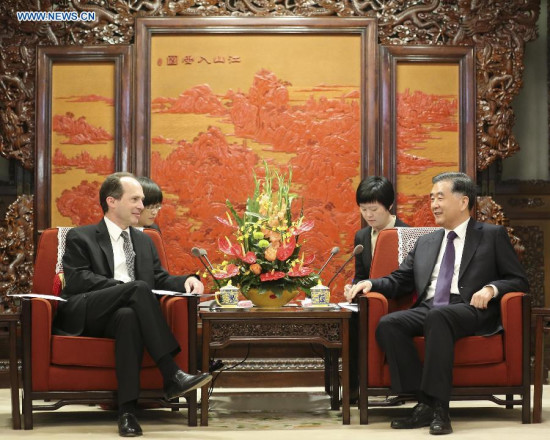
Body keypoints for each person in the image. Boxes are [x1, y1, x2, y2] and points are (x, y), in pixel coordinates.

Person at [345, 172, 528, 435]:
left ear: (463, 202)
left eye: (440, 197)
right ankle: (424, 401)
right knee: (389, 324)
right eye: (431, 199)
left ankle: (440, 408)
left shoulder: (491, 235)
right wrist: (371, 284)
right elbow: (400, 279)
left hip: (470, 308)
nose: (433, 204)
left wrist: (491, 289)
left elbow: (519, 280)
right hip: (430, 307)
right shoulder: (427, 241)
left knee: (438, 317)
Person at [54, 172, 212, 437]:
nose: (142, 205)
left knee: (128, 315)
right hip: (88, 311)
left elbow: (159, 278)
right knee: (137, 289)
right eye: (135, 199)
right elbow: (79, 280)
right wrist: (123, 288)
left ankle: (127, 413)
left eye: (141, 199)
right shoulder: (81, 237)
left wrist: (188, 280)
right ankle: (172, 374)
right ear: (112, 201)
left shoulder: (144, 240)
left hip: (125, 314)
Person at [345, 176, 409, 402]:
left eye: (373, 209)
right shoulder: (362, 236)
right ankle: (353, 390)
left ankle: (399, 388)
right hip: (369, 303)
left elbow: (409, 280)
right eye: (363, 210)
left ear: (389, 206)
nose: (368, 215)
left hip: (398, 302)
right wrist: (352, 289)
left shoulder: (406, 233)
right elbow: (361, 276)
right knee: (347, 323)